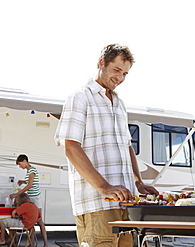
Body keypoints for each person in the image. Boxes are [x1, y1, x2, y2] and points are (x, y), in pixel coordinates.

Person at [54, 44, 159, 246]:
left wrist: (138, 183)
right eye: (116, 70)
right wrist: (104, 187)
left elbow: (127, 147)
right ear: (101, 63)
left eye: (125, 74)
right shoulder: (80, 98)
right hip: (97, 204)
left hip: (126, 203)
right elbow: (71, 147)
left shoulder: (119, 104)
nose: (120, 78)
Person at [9, 154, 48, 247]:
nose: (20, 166)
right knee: (31, 220)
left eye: (20, 164)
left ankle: (45, 243)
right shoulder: (29, 171)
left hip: (36, 198)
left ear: (25, 161)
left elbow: (30, 185)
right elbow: (30, 182)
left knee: (39, 221)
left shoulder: (32, 170)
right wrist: (23, 181)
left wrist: (17, 194)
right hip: (31, 198)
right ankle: (32, 242)